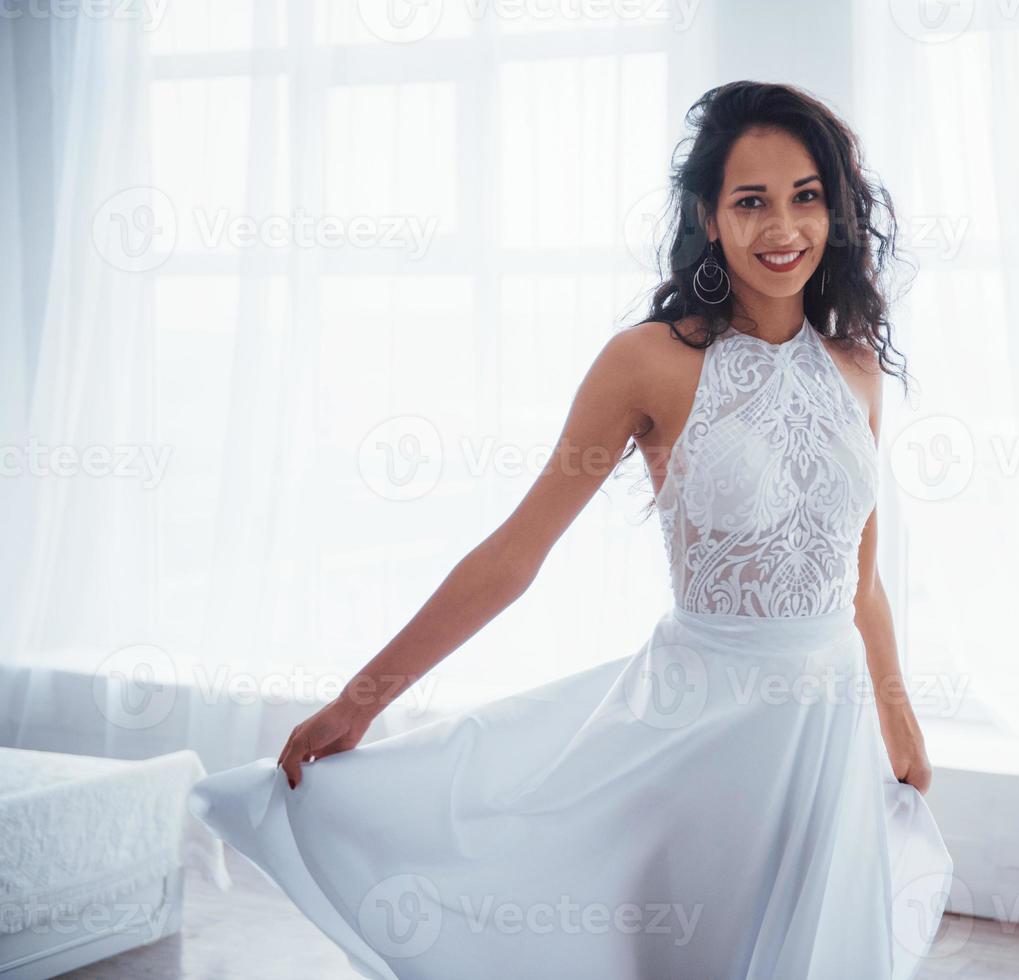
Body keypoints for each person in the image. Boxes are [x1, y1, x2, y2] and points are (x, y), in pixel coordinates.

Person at [189, 80, 953, 980]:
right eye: (751, 201)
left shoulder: (855, 367)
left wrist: (900, 725)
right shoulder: (649, 362)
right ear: (709, 217)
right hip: (700, 726)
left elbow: (858, 582)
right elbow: (517, 554)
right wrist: (363, 699)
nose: (782, 228)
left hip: (828, 726)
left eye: (806, 197)